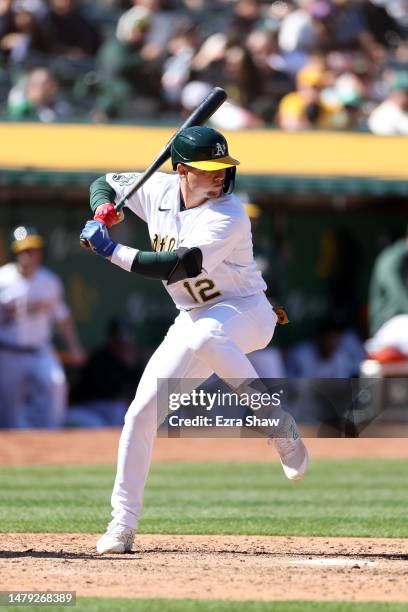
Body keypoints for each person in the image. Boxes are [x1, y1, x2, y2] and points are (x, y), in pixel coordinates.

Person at [80, 126, 309, 555]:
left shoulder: (229, 214)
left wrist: (109, 248)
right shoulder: (158, 189)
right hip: (194, 317)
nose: (220, 176)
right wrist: (104, 206)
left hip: (248, 312)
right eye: (208, 170)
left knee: (208, 335)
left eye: (224, 167)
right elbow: (105, 181)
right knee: (140, 416)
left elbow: (179, 265)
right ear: (182, 170)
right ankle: (122, 525)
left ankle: (275, 420)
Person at [0, 225, 85, 428]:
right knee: (9, 407)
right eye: (25, 250)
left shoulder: (49, 281)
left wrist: (74, 346)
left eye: (34, 250)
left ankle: (52, 437)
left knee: (56, 384)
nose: (30, 255)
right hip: (9, 352)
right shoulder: (3, 279)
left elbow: (63, 319)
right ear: (16, 252)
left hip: (40, 350)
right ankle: (19, 456)